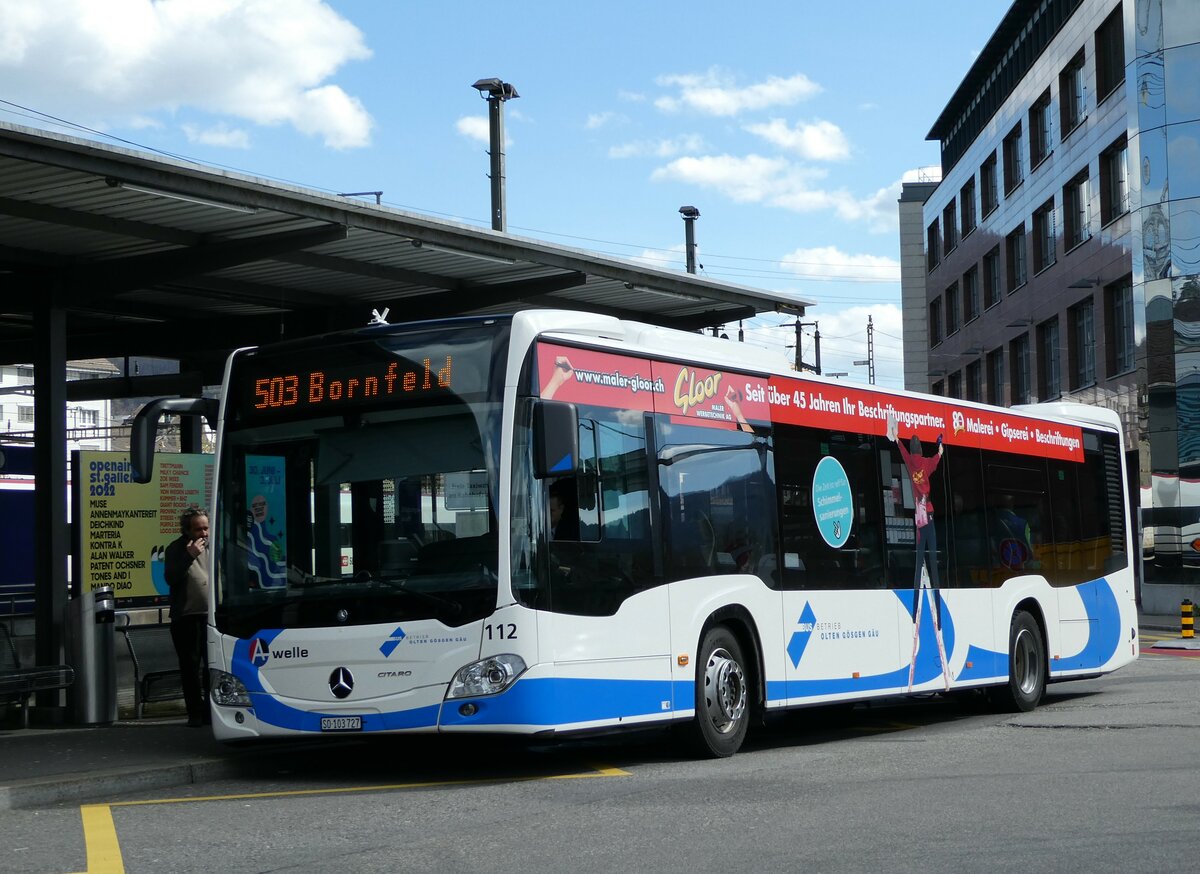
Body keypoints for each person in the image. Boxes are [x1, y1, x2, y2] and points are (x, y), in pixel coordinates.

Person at [164, 506, 210, 727]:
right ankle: (195, 713)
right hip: (187, 618)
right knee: (190, 668)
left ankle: (212, 711)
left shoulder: (214, 546)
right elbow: (171, 577)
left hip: (210, 617)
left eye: (206, 528)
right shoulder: (176, 549)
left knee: (212, 667)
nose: (204, 534)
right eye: (198, 529)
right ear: (187, 531)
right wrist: (190, 556)